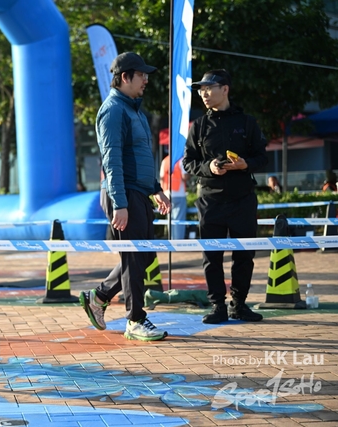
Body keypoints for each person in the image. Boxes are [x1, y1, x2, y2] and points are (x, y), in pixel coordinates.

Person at [79, 52, 171, 341]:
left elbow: (140, 158)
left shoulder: (135, 110)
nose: (146, 80)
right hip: (123, 193)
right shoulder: (113, 110)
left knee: (143, 254)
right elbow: (112, 160)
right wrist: (120, 203)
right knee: (134, 256)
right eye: (141, 75)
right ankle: (135, 320)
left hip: (138, 192)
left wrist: (156, 189)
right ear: (124, 77)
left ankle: (99, 296)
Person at [183, 69, 268, 324]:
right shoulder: (198, 126)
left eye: (209, 88)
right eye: (201, 89)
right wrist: (208, 167)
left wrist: (245, 164)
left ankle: (239, 305)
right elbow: (188, 162)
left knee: (245, 254)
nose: (204, 93)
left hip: (243, 199)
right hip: (210, 200)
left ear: (225, 89)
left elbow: (262, 157)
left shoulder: (247, 122)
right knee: (212, 255)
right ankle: (218, 306)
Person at [160, 154, 190, 239]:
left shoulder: (165, 160)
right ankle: (178, 242)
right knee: (179, 222)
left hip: (166, 194)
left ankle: (171, 240)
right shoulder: (181, 160)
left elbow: (161, 177)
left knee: (171, 221)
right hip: (179, 193)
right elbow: (185, 176)